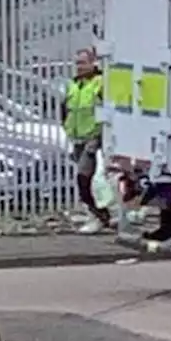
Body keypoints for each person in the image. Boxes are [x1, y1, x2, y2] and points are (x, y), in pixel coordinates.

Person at [63, 48, 112, 233]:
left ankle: (99, 215)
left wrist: (100, 137)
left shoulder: (100, 84)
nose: (79, 67)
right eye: (77, 63)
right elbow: (66, 109)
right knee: (86, 181)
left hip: (93, 138)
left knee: (84, 179)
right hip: (78, 138)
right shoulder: (75, 85)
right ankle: (100, 214)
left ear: (94, 63)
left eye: (83, 63)